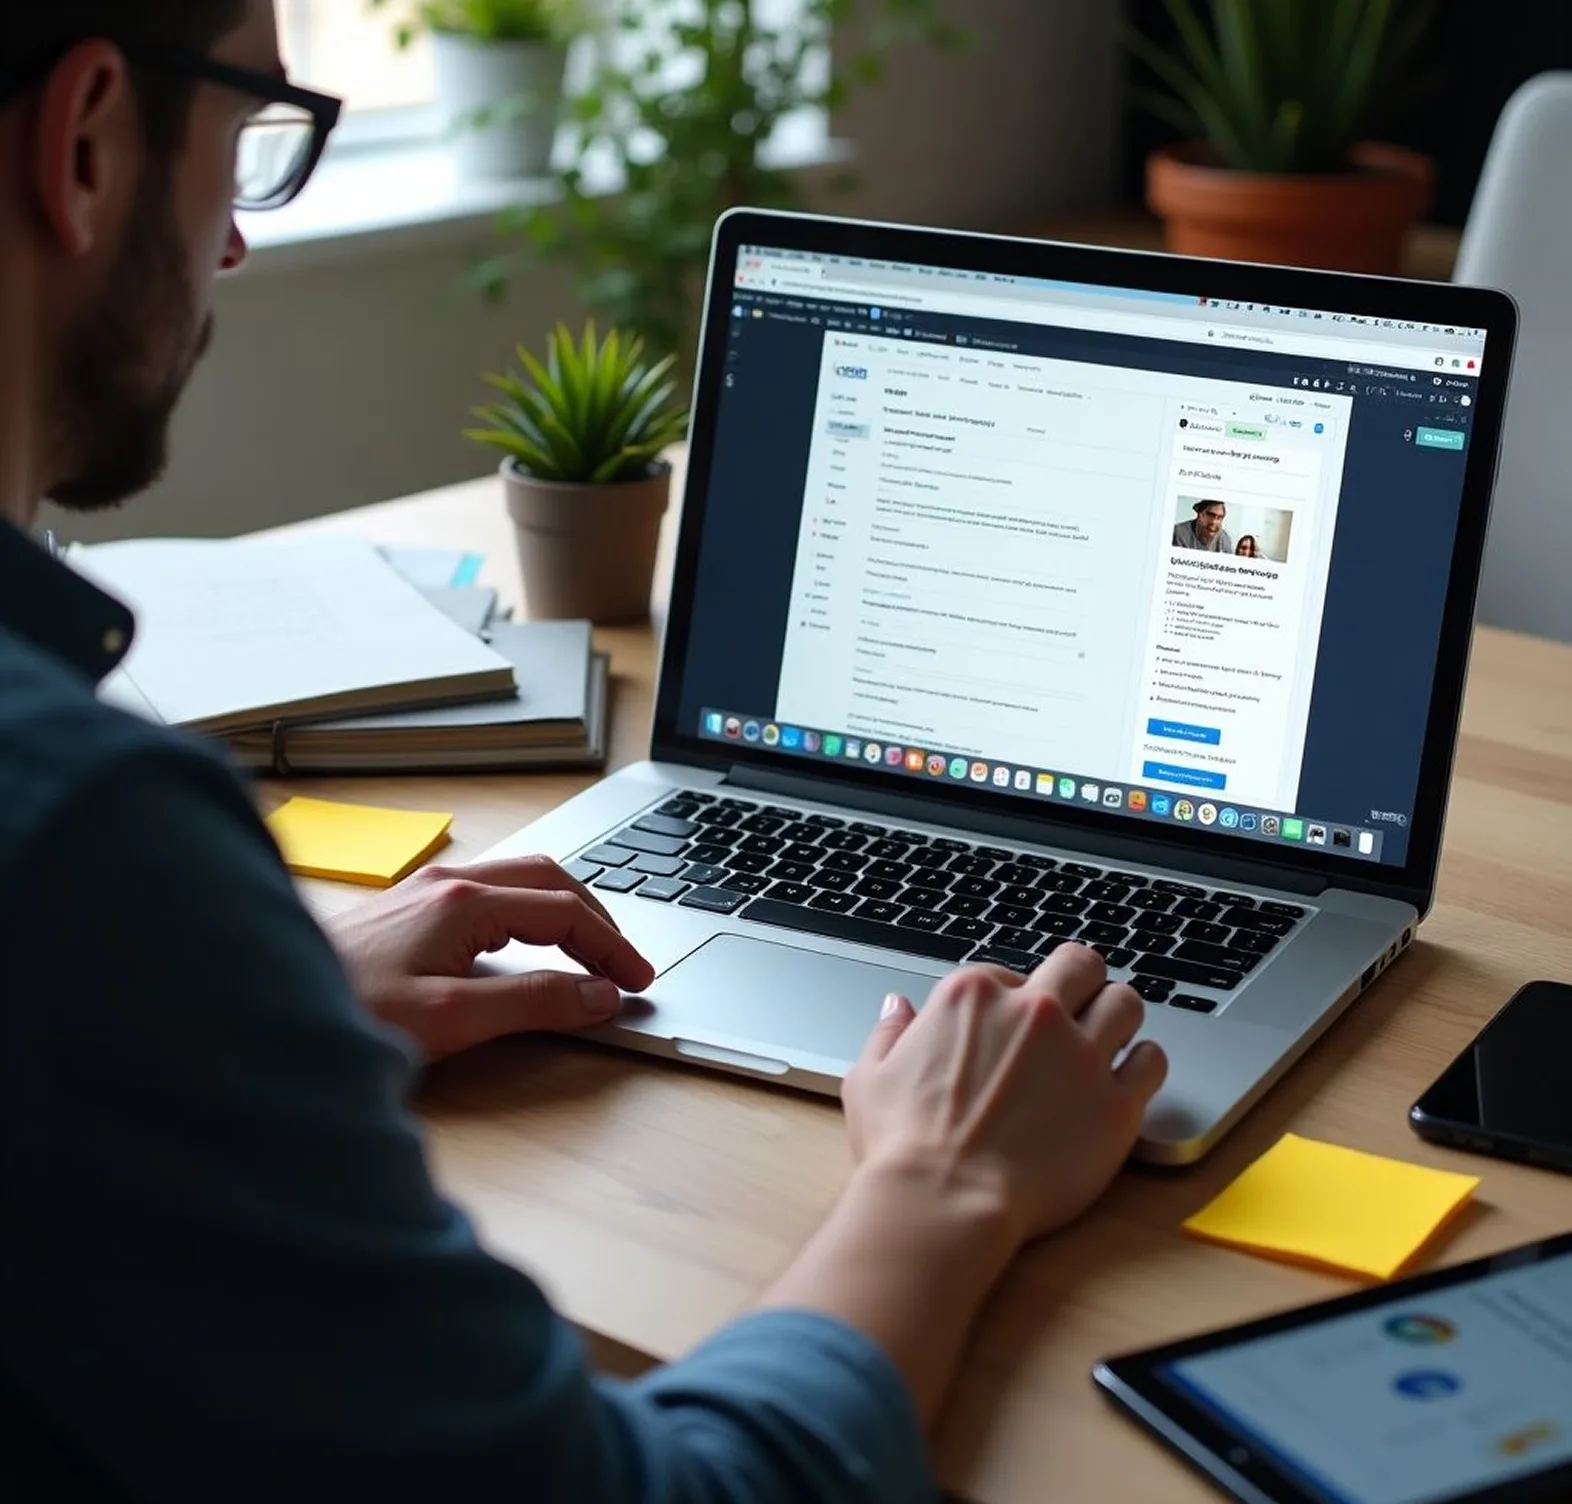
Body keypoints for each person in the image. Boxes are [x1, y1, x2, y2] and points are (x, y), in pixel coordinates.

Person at [0, 5, 1168, 1501]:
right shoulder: (87, 855)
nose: (233, 244)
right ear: (86, 142)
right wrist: (947, 1181)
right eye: (243, 140)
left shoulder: (97, 904)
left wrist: (252, 1013)